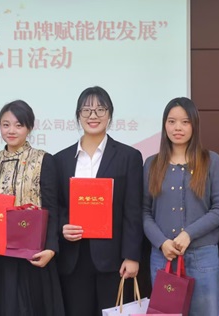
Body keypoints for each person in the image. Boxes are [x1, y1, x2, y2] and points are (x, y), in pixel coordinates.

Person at [53, 86, 144, 316]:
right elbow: (56, 206)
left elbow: (133, 210)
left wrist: (132, 256)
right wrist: (62, 226)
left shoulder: (129, 157)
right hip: (74, 258)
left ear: (110, 114)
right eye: (86, 110)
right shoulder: (60, 159)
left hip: (113, 259)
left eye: (100, 109)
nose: (93, 116)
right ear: (78, 115)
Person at [143, 97, 219, 316]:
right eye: (171, 121)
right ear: (164, 125)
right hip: (163, 257)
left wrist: (188, 234)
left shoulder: (211, 161)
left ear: (194, 125)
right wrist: (161, 242)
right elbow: (144, 212)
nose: (177, 128)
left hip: (203, 257)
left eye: (185, 122)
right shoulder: (152, 164)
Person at [0, 100, 65, 316]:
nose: (11, 130)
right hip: (1, 256)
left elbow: (53, 208)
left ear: (29, 128)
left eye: (18, 125)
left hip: (35, 254)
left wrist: (51, 249)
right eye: (6, 125)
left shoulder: (43, 160)